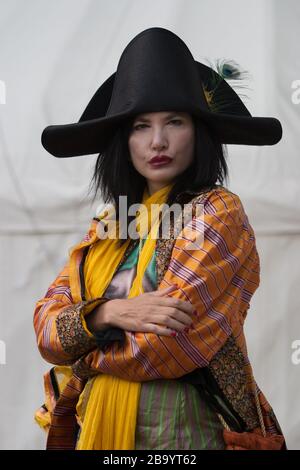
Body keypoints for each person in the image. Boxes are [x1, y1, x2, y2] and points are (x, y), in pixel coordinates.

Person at [34, 27, 286, 450]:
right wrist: (108, 313)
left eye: (174, 122)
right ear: (123, 140)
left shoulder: (217, 212)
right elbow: (44, 328)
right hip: (97, 426)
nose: (157, 141)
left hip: (186, 432)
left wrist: (80, 348)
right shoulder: (110, 225)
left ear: (199, 130)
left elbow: (163, 346)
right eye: (140, 126)